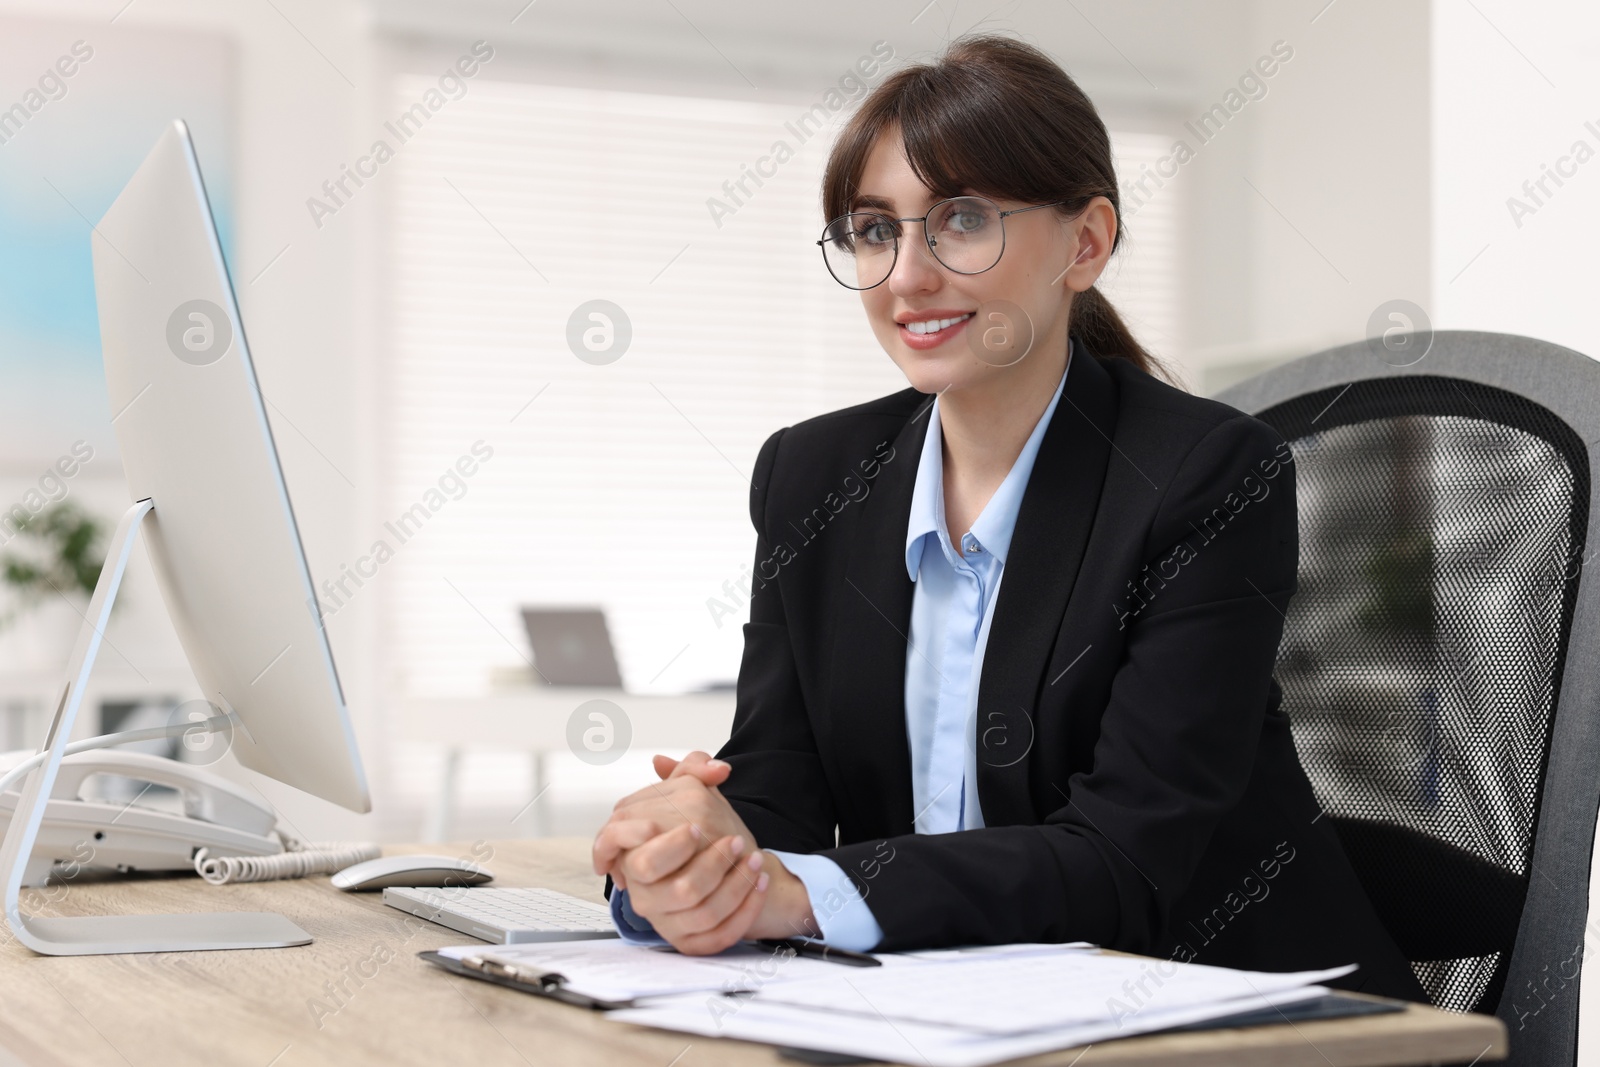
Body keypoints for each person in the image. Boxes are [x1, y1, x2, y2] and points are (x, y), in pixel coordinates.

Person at [591, 32, 1425, 1001]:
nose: (906, 275)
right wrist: (689, 854)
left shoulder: (1204, 478)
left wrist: (795, 892)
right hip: (954, 1012)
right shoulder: (811, 476)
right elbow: (776, 793)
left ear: (1086, 242)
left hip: (1244, 1023)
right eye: (873, 229)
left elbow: (1122, 864)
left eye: (962, 220)